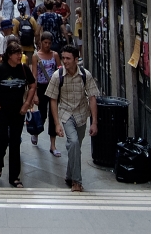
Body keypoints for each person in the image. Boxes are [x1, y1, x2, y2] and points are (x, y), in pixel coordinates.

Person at [46, 45, 100, 192]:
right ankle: (76, 181)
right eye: (63, 58)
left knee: (75, 147)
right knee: (74, 142)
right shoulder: (57, 76)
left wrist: (94, 122)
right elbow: (53, 99)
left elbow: (93, 98)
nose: (65, 61)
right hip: (66, 114)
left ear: (76, 60)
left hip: (82, 114)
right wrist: (57, 124)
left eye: (68, 58)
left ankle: (69, 175)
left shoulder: (85, 75)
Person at [0, 41, 36, 188]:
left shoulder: (24, 69)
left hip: (18, 110)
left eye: (20, 53)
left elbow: (32, 85)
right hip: (1, 110)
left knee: (15, 141)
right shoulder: (0, 69)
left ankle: (14, 176)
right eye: (17, 54)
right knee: (2, 137)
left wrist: (27, 103)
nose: (20, 56)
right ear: (9, 55)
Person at [30, 32, 62, 155]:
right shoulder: (36, 56)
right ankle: (36, 131)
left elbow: (59, 70)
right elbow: (34, 75)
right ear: (41, 42)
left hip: (53, 87)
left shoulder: (55, 55)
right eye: (45, 43)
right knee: (42, 114)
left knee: (54, 116)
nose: (47, 45)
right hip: (41, 88)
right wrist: (35, 94)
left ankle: (53, 145)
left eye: (49, 43)